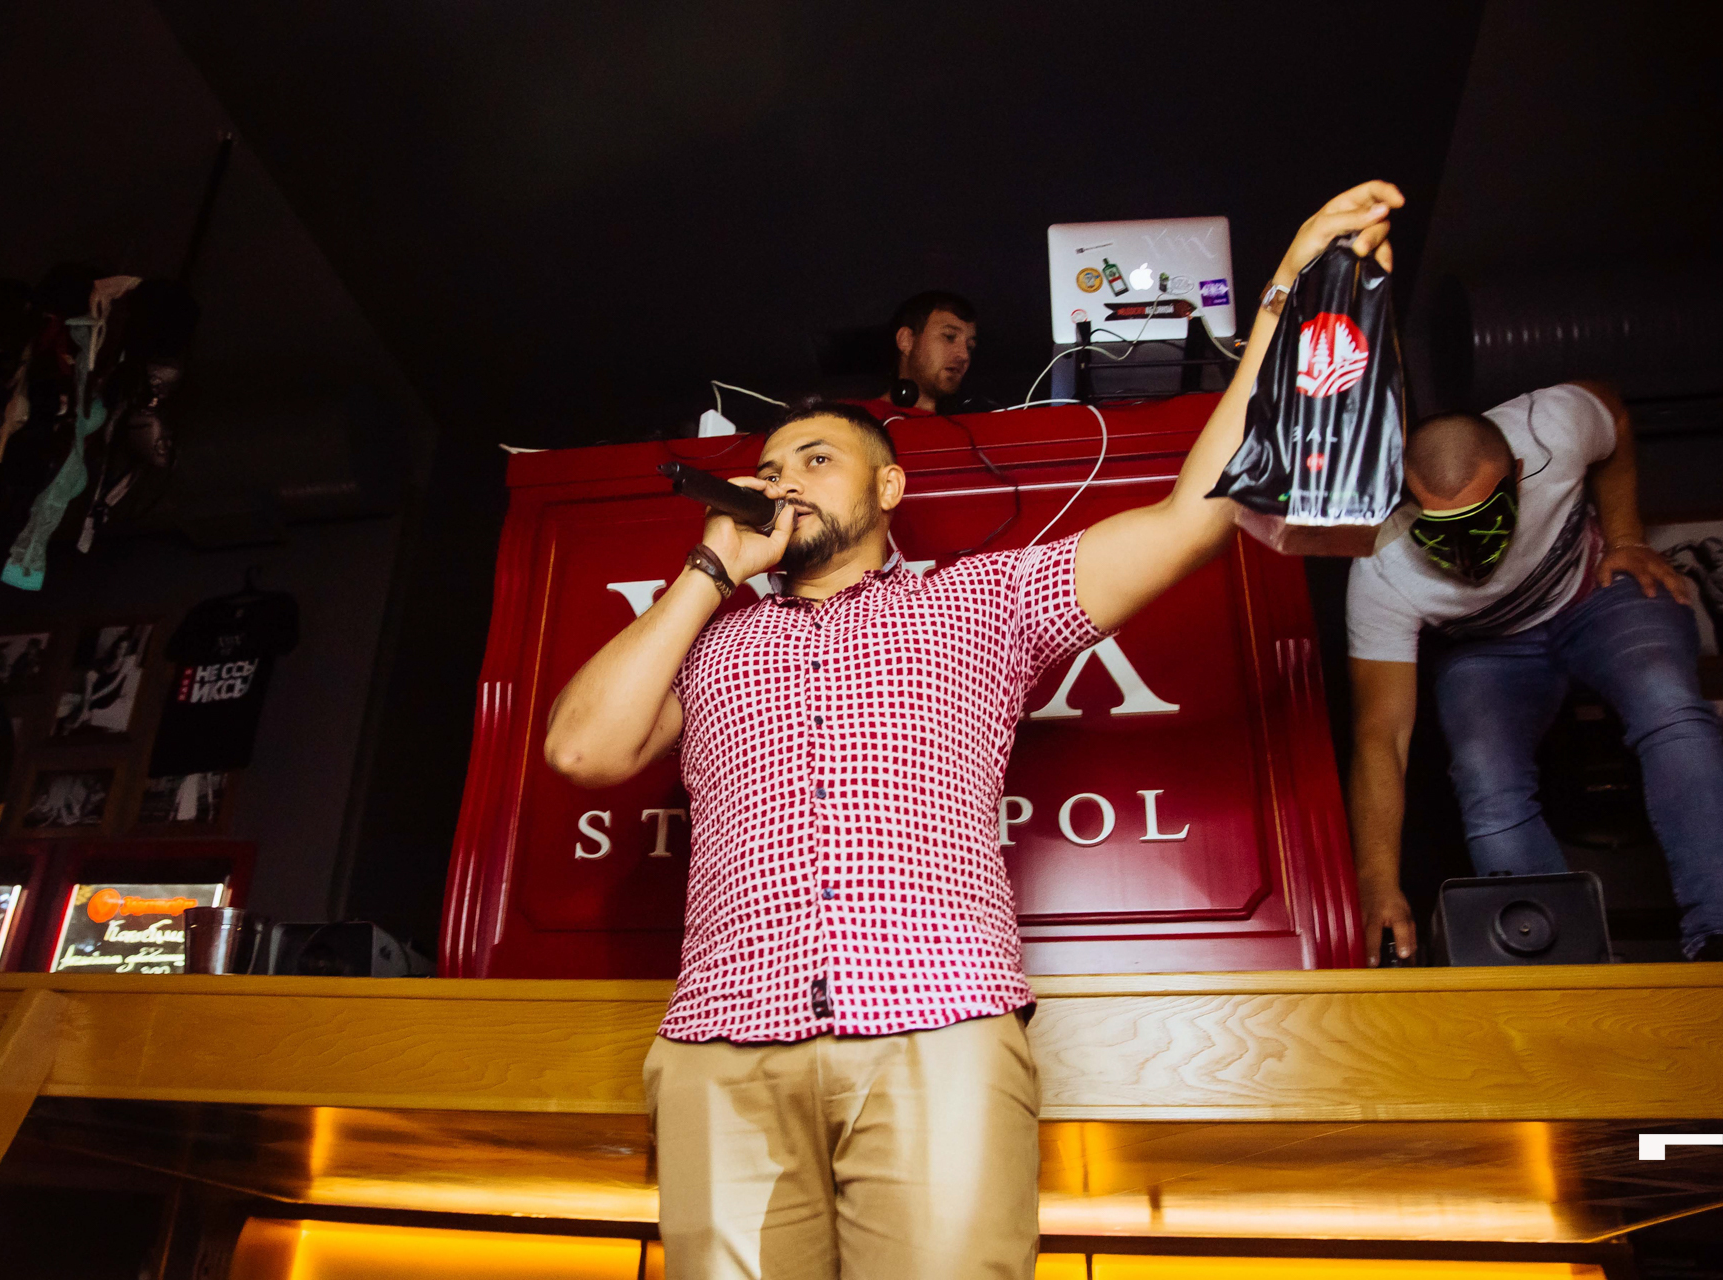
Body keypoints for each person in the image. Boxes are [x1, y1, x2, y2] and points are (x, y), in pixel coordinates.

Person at [544, 182, 1403, 1279]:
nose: (784, 482)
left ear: (890, 484)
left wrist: (1283, 294)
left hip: (935, 1026)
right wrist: (709, 569)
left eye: (816, 460)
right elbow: (581, 750)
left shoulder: (981, 601)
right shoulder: (708, 637)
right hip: (722, 1045)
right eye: (770, 468)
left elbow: (1193, 517)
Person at [1346, 381, 1723, 966]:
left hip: (1596, 594)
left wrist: (1625, 535)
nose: (1466, 552)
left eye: (1479, 522)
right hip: (1489, 648)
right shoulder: (1381, 564)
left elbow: (1615, 416)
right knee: (1484, 771)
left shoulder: (1550, 427)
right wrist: (1376, 883)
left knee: (1669, 706)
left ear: (1518, 474)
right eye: (1441, 531)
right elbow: (1382, 736)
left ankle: (1718, 929)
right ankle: (1559, 967)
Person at [854, 290, 977, 420]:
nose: (964, 355)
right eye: (949, 337)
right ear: (906, 340)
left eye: (970, 347)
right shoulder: (854, 419)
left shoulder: (973, 424)